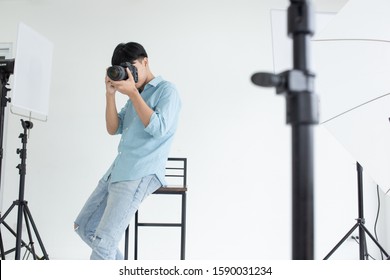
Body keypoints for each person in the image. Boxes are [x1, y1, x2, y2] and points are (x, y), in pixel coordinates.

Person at [74, 42, 181, 260]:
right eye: (125, 69)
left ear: (145, 61)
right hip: (118, 170)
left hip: (141, 171)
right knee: (84, 226)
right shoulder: (136, 95)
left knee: (104, 242)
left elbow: (159, 129)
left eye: (133, 66)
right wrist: (110, 95)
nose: (130, 73)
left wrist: (133, 93)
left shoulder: (166, 90)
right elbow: (113, 128)